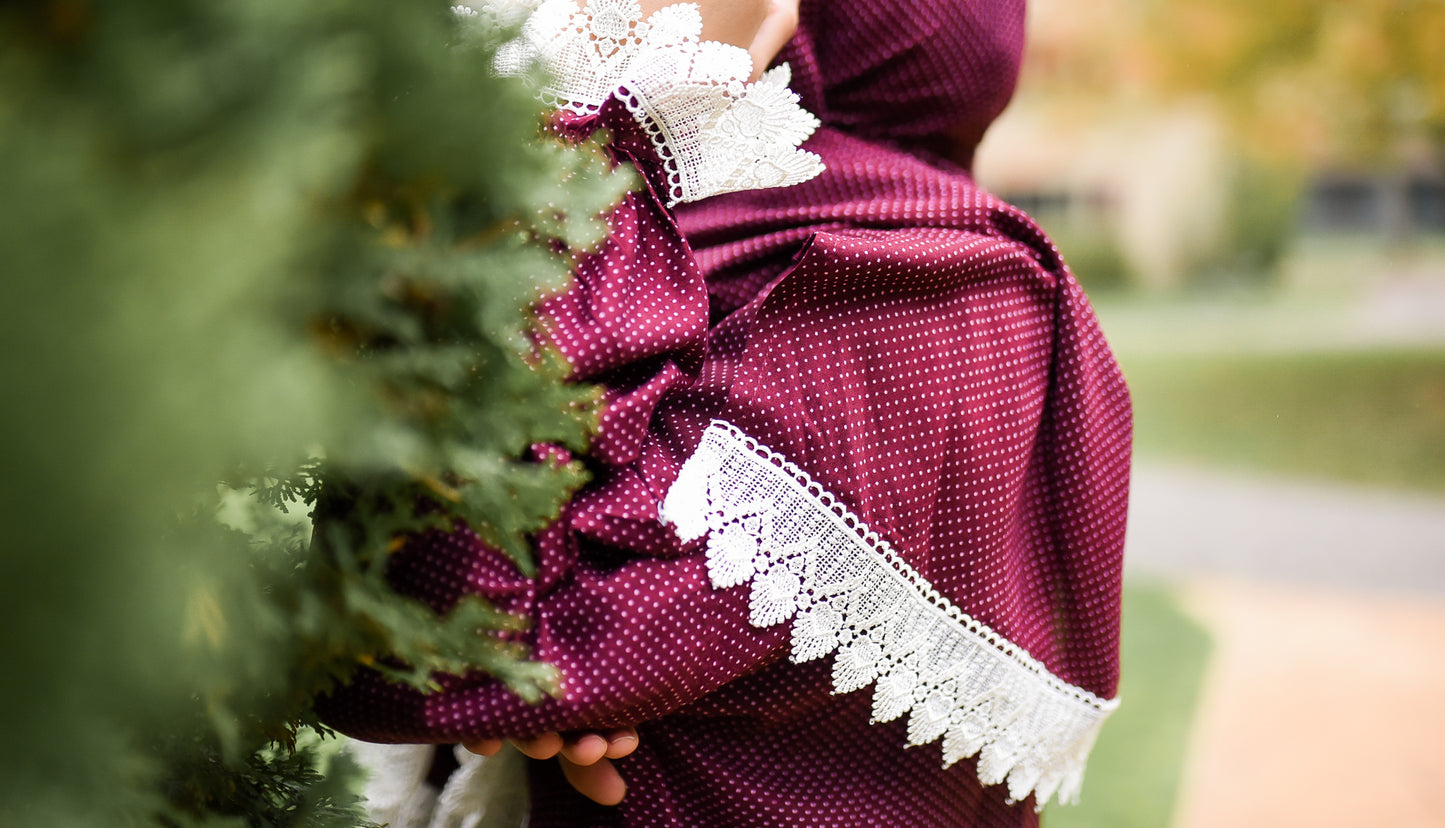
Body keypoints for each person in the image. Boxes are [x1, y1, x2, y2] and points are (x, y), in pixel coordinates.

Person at [319, 0, 1132, 825]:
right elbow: (481, 639)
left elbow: (441, 643)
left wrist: (585, 115)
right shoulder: (671, 222)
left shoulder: (900, 277)